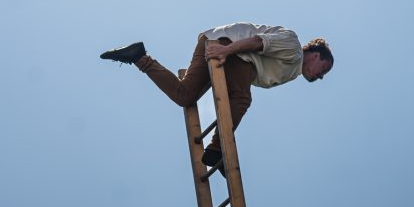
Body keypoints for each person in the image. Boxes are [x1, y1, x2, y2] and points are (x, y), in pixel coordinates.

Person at [100, 22, 334, 177]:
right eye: (323, 69)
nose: (320, 76)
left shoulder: (291, 70)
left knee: (185, 96)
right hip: (228, 48)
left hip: (211, 41)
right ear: (315, 54)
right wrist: (224, 51)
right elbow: (256, 43)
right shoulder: (293, 49)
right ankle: (216, 149)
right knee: (241, 98)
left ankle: (139, 57)